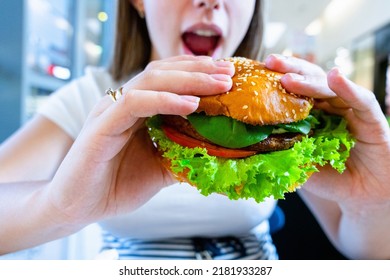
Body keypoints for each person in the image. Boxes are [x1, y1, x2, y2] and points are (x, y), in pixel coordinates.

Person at [0, 0, 390, 260]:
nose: (210, 1)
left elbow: (367, 253)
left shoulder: (281, 97)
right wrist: (59, 206)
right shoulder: (95, 99)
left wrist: (370, 204)